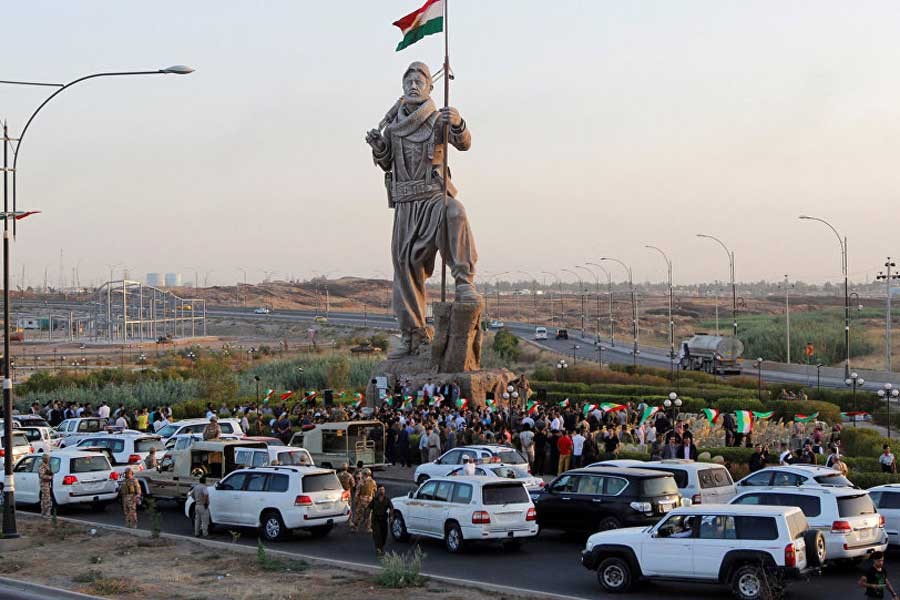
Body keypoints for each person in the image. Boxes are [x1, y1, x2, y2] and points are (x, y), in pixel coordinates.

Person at [367, 61, 481, 358]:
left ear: (430, 86)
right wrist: (379, 145)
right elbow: (387, 160)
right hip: (406, 204)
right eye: (409, 82)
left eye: (420, 81)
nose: (414, 85)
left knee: (456, 212)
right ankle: (413, 334)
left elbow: (464, 143)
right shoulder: (392, 127)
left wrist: (457, 122)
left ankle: (463, 280)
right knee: (405, 269)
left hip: (433, 196)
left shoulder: (437, 118)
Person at [371, 485, 391, 556]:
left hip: (383, 520)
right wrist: (366, 518)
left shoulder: (387, 499)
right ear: (378, 491)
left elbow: (391, 508)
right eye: (380, 490)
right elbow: (369, 508)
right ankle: (379, 549)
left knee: (384, 535)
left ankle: (381, 546)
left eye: (383, 489)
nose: (382, 491)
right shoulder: (374, 499)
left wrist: (391, 517)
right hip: (375, 520)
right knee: (377, 535)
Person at [38, 453, 54, 518]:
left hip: (47, 483)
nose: (48, 460)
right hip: (44, 484)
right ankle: (46, 513)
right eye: (47, 459)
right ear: (45, 459)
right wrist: (50, 477)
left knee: (45, 498)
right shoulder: (42, 466)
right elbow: (42, 476)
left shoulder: (47, 465)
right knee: (46, 498)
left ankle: (45, 513)